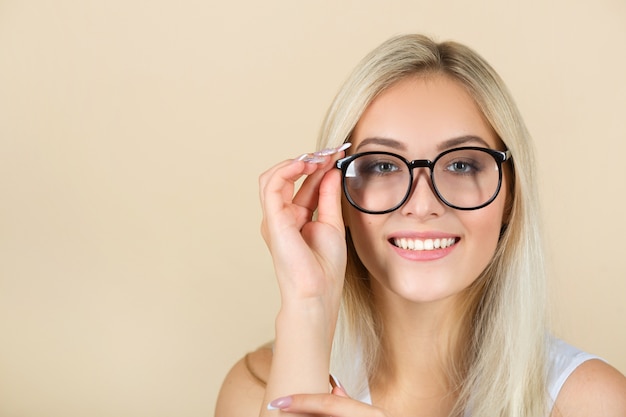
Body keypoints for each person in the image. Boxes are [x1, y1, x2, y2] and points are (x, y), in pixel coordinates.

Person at [215, 34, 626, 417]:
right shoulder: (258, 389)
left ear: (510, 198)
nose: (423, 203)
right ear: (335, 192)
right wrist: (307, 305)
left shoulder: (589, 402)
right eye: (382, 165)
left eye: (462, 164)